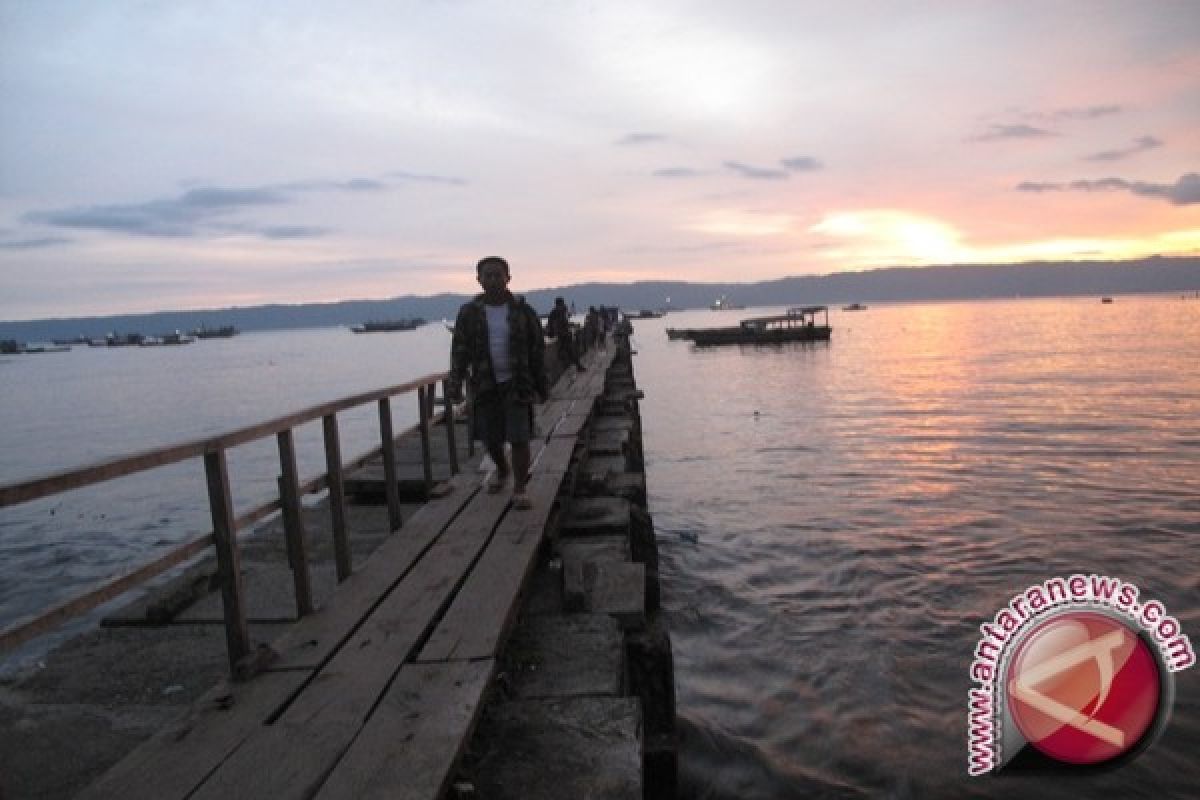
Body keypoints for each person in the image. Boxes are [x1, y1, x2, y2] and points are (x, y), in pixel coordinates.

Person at [447, 256, 548, 510]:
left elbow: (537, 348)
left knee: (519, 437)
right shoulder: (468, 313)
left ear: (508, 278)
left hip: (517, 381)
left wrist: (541, 384)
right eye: (487, 275)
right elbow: (459, 349)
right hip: (484, 383)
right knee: (490, 438)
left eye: (498, 275)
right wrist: (455, 382)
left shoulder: (522, 310)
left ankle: (520, 488)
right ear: (478, 280)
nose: (493, 280)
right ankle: (503, 469)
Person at [546, 296, 585, 372]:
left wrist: (551, 333)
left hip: (563, 335)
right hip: (564, 334)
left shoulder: (555, 312)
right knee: (570, 351)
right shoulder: (561, 311)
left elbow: (551, 324)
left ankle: (575, 366)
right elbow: (562, 323)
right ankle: (577, 366)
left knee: (567, 351)